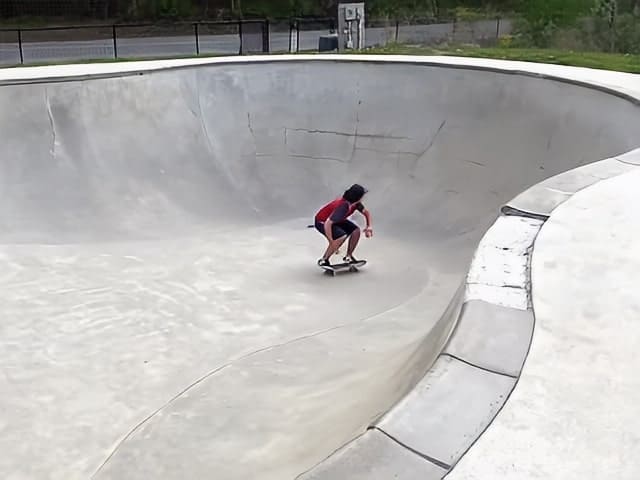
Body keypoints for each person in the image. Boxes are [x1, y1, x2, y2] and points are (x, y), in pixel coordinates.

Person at [314, 184, 373, 267]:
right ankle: (324, 260)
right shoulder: (343, 206)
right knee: (341, 236)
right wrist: (331, 241)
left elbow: (366, 213)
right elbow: (328, 224)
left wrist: (369, 226)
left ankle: (348, 256)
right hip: (321, 222)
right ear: (357, 197)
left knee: (356, 231)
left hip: (336, 220)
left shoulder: (356, 204)